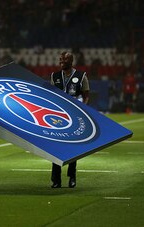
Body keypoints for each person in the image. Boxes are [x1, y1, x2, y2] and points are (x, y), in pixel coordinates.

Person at [50, 51, 90, 188]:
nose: (61, 62)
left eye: (64, 60)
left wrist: (83, 111)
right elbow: (50, 96)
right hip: (58, 117)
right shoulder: (54, 76)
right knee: (56, 148)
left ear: (71, 61)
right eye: (60, 59)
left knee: (73, 149)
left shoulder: (81, 76)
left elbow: (86, 96)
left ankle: (72, 177)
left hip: (75, 117)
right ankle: (56, 180)